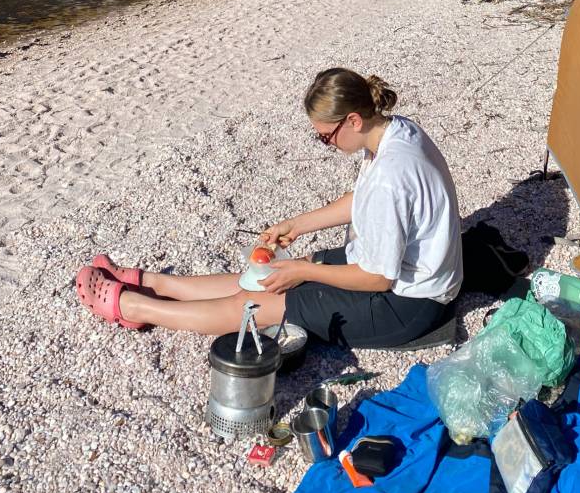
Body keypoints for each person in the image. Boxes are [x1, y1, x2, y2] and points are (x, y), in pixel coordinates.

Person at [76, 68, 463, 348]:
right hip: (399, 278)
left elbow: (378, 277)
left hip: (408, 305)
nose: (326, 145)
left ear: (353, 119)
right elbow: (361, 202)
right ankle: (150, 282)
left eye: (325, 137)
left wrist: (306, 270)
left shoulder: (390, 177)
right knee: (270, 275)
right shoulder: (396, 132)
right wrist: (296, 225)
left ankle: (133, 305)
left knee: (254, 303)